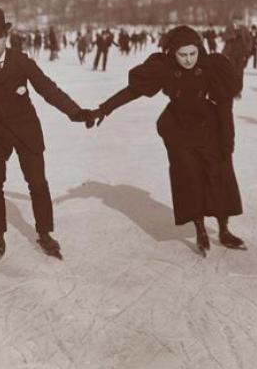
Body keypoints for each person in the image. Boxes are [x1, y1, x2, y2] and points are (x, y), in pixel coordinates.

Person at [0, 7, 95, 267]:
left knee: (37, 181)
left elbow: (47, 89)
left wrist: (75, 112)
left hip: (25, 128)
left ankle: (44, 232)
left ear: (6, 36)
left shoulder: (21, 61)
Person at [90, 25, 245, 257]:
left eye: (192, 53)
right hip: (179, 131)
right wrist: (104, 109)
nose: (188, 59)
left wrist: (227, 141)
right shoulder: (164, 68)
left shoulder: (212, 66)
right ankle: (200, 229)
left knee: (219, 175)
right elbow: (133, 91)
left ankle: (224, 230)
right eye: (182, 55)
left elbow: (224, 105)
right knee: (189, 179)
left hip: (209, 129)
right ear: (173, 52)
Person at [222, 15, 252, 97]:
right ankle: (231, 89)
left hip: (241, 53)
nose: (238, 22)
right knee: (231, 72)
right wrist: (233, 36)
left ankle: (238, 90)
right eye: (236, 20)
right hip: (231, 53)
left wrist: (248, 51)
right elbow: (224, 38)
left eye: (240, 20)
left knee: (240, 72)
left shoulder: (244, 29)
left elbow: (249, 40)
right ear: (233, 21)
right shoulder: (229, 28)